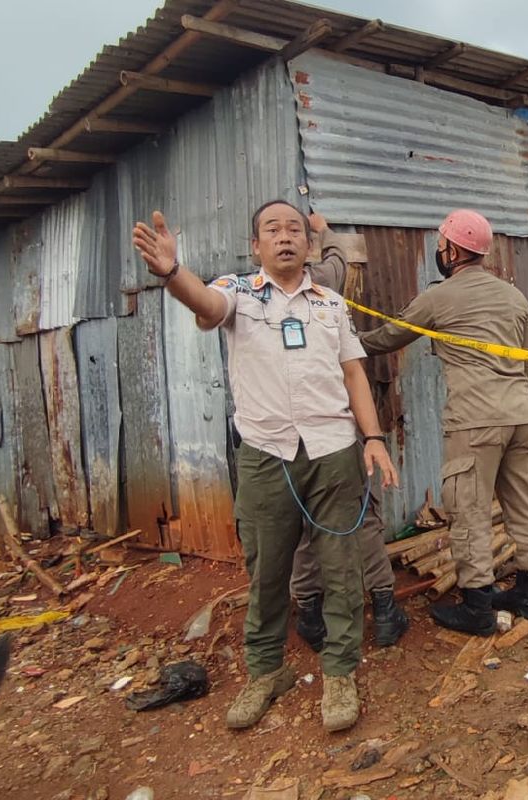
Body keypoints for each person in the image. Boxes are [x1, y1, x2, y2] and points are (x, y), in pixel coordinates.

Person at [131, 201, 399, 734]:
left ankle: (340, 673)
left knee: (341, 567)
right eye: (272, 230)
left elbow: (354, 376)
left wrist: (373, 438)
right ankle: (266, 671)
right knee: (268, 569)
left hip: (333, 451)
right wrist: (171, 273)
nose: (285, 237)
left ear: (307, 242)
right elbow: (204, 304)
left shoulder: (330, 303)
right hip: (266, 454)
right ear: (256, 245)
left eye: (294, 229)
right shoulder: (239, 292)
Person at [359, 210, 528, 636]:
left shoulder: (439, 297)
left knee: (469, 511)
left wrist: (344, 345)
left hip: (474, 422)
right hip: (521, 415)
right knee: (524, 503)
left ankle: (478, 609)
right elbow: (527, 355)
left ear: (453, 249)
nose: (438, 251)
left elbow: (389, 337)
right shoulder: (515, 298)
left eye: (441, 243)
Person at [290, 213, 409, 651]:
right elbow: (339, 259)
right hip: (336, 437)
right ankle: (384, 611)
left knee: (307, 525)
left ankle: (309, 613)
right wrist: (323, 230)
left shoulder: (249, 299)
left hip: (285, 444)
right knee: (363, 520)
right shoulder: (323, 283)